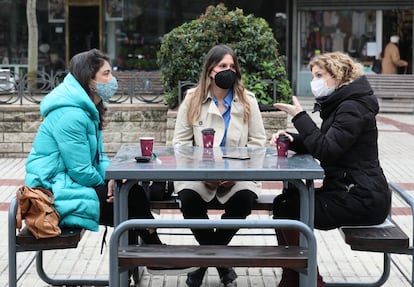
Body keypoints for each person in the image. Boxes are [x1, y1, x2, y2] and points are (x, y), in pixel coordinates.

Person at [24, 49, 190, 283]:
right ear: (89, 80)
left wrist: (112, 178)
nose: (113, 80)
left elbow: (99, 159)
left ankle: (151, 253)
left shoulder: (88, 109)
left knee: (130, 192)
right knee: (128, 200)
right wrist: (109, 183)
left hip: (69, 183)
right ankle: (152, 253)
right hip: (51, 193)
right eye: (106, 74)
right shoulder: (71, 115)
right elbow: (81, 171)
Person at [271, 51, 390, 287]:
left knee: (291, 208)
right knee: (285, 203)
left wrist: (300, 117)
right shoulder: (343, 104)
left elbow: (326, 149)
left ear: (336, 75)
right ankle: (295, 275)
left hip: (362, 197)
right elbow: (325, 142)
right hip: (350, 191)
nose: (314, 81)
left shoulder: (352, 107)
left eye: (319, 75)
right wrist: (293, 139)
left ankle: (309, 280)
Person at [173, 44, 267, 287]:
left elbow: (258, 143)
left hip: (239, 174)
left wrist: (238, 173)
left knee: (245, 200)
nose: (229, 70)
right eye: (222, 66)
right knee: (188, 199)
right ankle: (222, 263)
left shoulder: (248, 100)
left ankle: (204, 263)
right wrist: (201, 172)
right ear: (210, 71)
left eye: (232, 66)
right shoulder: (192, 99)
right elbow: (181, 144)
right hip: (198, 174)